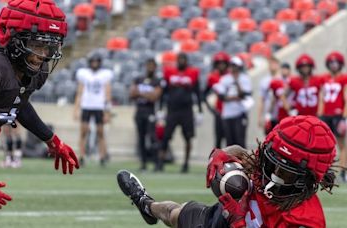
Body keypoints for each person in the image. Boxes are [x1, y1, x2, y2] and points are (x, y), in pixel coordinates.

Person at [0, 1, 80, 227]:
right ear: (15, 38)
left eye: (49, 46)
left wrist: (51, 140)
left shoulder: (33, 72)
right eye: (36, 45)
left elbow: (18, 102)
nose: (42, 55)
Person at [117, 115, 337, 228]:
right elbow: (231, 152)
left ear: (307, 178)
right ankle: (145, 203)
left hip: (237, 219)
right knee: (174, 214)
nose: (274, 174)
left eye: (286, 173)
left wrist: (240, 221)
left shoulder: (307, 221)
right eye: (272, 163)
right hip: (225, 219)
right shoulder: (261, 162)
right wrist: (218, 160)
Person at [157, 53, 203, 173]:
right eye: (180, 59)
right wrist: (161, 108)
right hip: (172, 109)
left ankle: (186, 163)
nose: (181, 61)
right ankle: (160, 162)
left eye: (184, 59)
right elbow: (164, 92)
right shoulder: (169, 72)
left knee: (188, 137)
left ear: (187, 61)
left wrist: (199, 110)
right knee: (166, 136)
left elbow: (197, 92)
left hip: (186, 110)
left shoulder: (193, 73)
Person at [73, 54, 113, 166]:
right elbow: (79, 92)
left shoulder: (105, 74)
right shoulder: (84, 74)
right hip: (86, 105)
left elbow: (108, 93)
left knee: (100, 132)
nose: (94, 64)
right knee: (83, 132)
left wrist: (107, 111)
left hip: (99, 106)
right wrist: (76, 109)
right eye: (93, 62)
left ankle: (102, 156)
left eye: (96, 62)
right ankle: (81, 156)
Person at [317, 51, 347, 182]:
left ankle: (343, 171)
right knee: (324, 145)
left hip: (338, 115)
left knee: (341, 145)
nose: (334, 65)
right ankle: (324, 171)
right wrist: (319, 115)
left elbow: (346, 98)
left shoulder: (344, 78)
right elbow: (321, 98)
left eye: (336, 63)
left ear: (340, 64)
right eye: (331, 63)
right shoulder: (323, 78)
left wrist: (345, 117)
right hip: (326, 115)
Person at [129, 58, 162, 171]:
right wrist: (147, 94)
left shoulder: (157, 81)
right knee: (141, 138)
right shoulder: (139, 79)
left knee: (152, 138)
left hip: (150, 112)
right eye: (149, 66)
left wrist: (140, 93)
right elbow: (132, 94)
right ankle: (143, 163)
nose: (150, 68)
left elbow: (154, 97)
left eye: (152, 66)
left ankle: (157, 162)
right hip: (139, 112)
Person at [214, 56, 252, 148]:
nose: (233, 68)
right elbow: (221, 97)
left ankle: (242, 162)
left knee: (240, 141)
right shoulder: (225, 79)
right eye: (232, 66)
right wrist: (236, 97)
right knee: (229, 142)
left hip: (240, 113)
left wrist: (237, 81)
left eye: (235, 66)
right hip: (227, 114)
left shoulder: (244, 79)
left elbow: (245, 95)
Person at [204, 51, 230, 149]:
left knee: (230, 141)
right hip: (219, 112)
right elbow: (204, 94)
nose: (221, 66)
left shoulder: (231, 76)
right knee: (218, 139)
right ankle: (217, 163)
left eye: (223, 63)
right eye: (219, 63)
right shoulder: (212, 77)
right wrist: (211, 109)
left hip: (230, 112)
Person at [257, 57, 280, 135]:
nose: (272, 66)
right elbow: (261, 100)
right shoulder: (264, 81)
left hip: (281, 114)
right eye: (270, 64)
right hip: (268, 115)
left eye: (274, 63)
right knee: (269, 140)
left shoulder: (282, 79)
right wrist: (260, 117)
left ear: (278, 64)